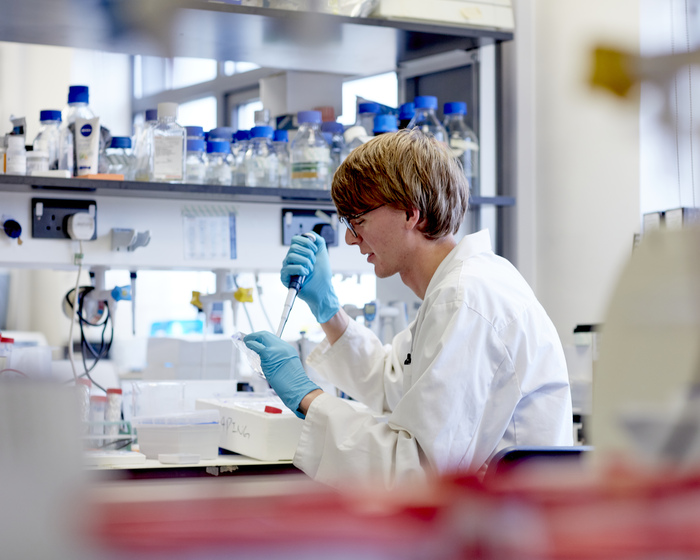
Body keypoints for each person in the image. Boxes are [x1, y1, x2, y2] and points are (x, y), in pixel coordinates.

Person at [245, 128, 573, 488]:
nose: (351, 238)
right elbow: (392, 384)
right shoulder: (458, 287)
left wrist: (307, 397)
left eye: (359, 219)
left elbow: (415, 471)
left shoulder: (466, 298)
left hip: (505, 529)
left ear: (409, 213)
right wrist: (328, 310)